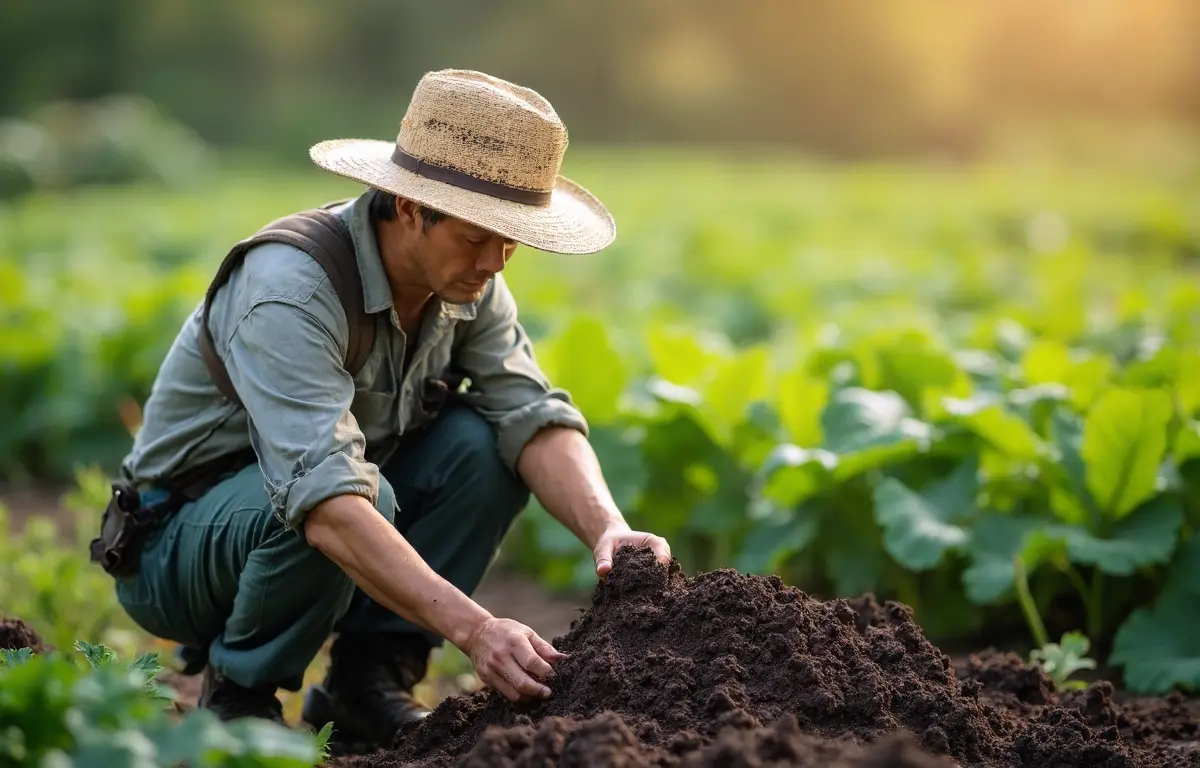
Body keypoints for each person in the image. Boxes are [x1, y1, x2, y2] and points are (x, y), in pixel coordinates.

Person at [104, 69, 672, 750]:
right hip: (176, 547)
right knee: (344, 497)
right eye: (476, 236)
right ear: (407, 207)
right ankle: (238, 700)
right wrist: (475, 629)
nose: (496, 262)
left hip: (308, 510)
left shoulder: (468, 284)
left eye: (511, 239)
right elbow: (325, 497)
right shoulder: (288, 289)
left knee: (481, 446)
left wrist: (609, 530)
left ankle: (366, 685)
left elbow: (531, 413)